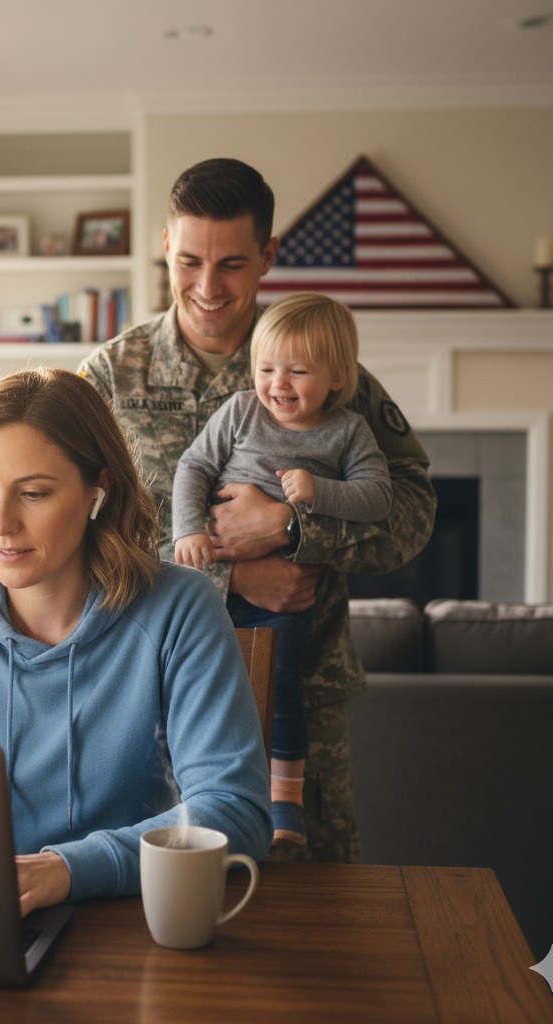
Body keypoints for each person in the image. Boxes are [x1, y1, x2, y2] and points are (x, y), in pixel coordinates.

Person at [78, 157, 436, 863]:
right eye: (189, 261)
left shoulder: (325, 366)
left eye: (233, 264)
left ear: (269, 255)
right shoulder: (110, 377)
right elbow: (73, 538)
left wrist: (295, 531)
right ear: (165, 246)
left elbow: (414, 512)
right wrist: (227, 579)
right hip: (150, 694)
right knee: (160, 908)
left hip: (299, 694)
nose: (208, 288)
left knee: (314, 908)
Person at [0, 367, 272, 915]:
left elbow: (235, 810)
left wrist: (70, 868)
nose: (0, 524)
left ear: (99, 490)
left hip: (123, 918)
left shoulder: (179, 610)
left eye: (34, 493)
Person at [172, 292, 392, 849]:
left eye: (298, 371)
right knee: (202, 693)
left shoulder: (347, 432)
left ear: (339, 376)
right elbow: (193, 466)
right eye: (267, 369)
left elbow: (379, 498)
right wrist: (188, 531)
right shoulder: (243, 410)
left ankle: (285, 809)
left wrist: (313, 498)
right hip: (210, 591)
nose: (279, 384)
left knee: (280, 691)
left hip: (289, 597)